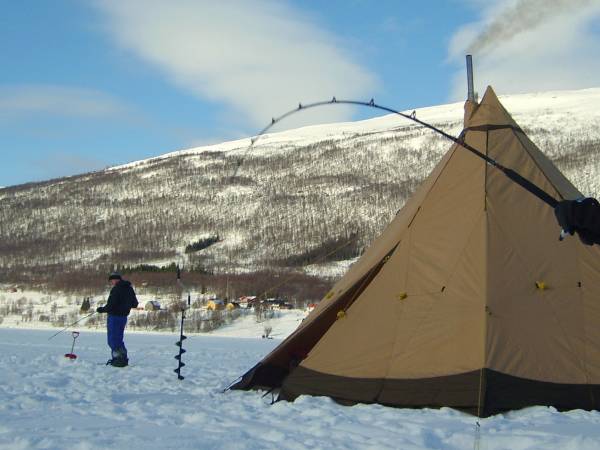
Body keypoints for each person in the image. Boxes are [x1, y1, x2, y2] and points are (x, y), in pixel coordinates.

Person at [96, 272, 138, 367]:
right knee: (119, 339)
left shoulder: (116, 289)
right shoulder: (129, 288)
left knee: (113, 340)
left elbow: (111, 305)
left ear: (115, 279)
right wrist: (125, 305)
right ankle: (123, 359)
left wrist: (101, 309)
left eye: (112, 281)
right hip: (123, 317)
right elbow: (135, 303)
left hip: (114, 317)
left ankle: (118, 360)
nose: (111, 283)